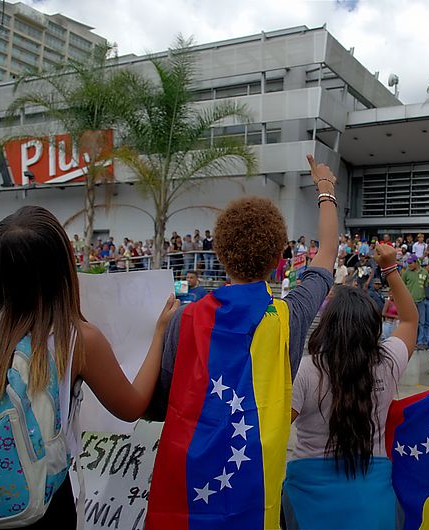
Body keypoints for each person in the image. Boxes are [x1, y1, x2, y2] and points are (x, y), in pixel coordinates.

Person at [0, 206, 178, 528]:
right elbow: (132, 405)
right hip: (35, 503)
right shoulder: (78, 338)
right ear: (62, 268)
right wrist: (158, 332)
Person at [145, 155, 338, 528]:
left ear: (220, 253)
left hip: (186, 487)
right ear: (279, 256)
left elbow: (159, 401)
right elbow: (326, 255)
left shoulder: (182, 319)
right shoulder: (288, 318)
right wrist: (325, 189)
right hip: (254, 490)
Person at [283, 242, 417, 529]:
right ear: (373, 329)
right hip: (373, 496)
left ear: (327, 324)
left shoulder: (306, 370)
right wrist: (390, 268)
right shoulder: (388, 362)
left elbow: (274, 432)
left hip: (307, 496)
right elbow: (409, 319)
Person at [401, 256, 428, 350]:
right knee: (411, 322)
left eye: (411, 263)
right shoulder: (406, 273)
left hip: (421, 300)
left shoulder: (424, 272)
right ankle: (410, 341)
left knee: (422, 322)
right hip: (409, 301)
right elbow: (402, 286)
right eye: (408, 263)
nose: (409, 265)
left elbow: (426, 285)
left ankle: (420, 342)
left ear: (416, 262)